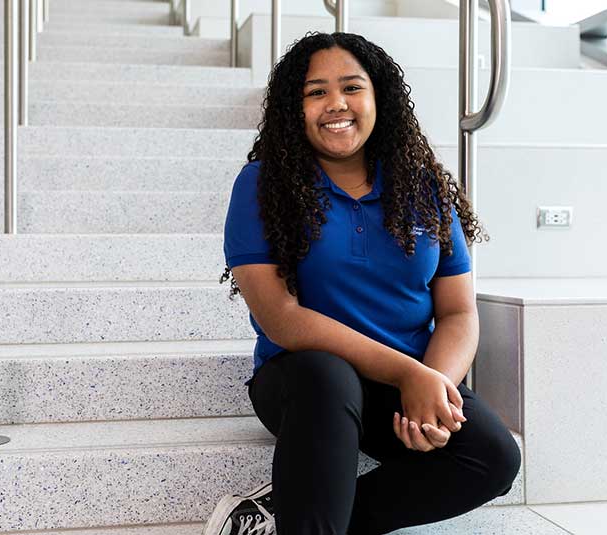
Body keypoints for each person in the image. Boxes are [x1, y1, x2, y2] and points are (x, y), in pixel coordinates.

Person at [203, 32, 522, 535]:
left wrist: (434, 384)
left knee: (492, 457)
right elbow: (282, 320)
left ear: (379, 98)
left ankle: (283, 517)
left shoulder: (426, 187)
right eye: (316, 92)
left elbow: (459, 312)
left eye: (352, 87)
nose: (336, 104)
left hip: (404, 381)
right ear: (295, 108)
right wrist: (407, 374)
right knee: (327, 376)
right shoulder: (263, 185)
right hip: (305, 382)